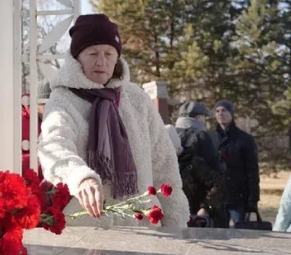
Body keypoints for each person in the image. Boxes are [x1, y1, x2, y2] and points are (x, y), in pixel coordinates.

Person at [36, 14, 188, 229]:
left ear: (117, 57)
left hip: (142, 227)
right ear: (77, 57)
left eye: (108, 53)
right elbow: (54, 145)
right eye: (92, 53)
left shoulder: (136, 98)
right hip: (87, 229)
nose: (101, 61)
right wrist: (80, 177)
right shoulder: (63, 99)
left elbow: (164, 164)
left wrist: (176, 224)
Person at [174, 101, 227, 228]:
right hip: (199, 202)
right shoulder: (201, 136)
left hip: (175, 199)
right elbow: (215, 172)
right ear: (198, 118)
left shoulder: (171, 134)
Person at [212, 100, 259, 226]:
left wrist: (253, 199)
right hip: (217, 197)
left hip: (238, 196)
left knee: (241, 231)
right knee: (219, 234)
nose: (220, 113)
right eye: (217, 111)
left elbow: (252, 171)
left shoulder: (244, 139)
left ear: (231, 114)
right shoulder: (210, 138)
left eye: (224, 110)